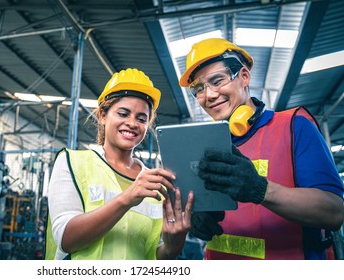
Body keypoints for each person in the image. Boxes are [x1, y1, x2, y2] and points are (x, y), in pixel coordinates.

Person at [179, 38, 344, 260]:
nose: (208, 95)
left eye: (217, 81)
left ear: (244, 76)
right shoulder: (203, 146)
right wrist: (196, 218)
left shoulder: (294, 125)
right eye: (198, 89)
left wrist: (261, 189)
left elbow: (334, 212)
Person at [45, 68, 193, 260]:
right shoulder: (72, 162)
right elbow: (66, 238)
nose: (132, 123)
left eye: (141, 118)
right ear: (102, 116)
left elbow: (155, 254)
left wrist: (173, 246)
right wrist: (127, 198)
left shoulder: (155, 182)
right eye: (123, 114)